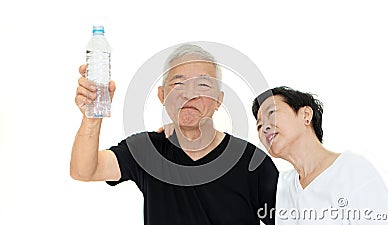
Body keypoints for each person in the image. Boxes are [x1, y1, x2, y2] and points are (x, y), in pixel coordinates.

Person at [71, 44, 279, 225]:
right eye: (178, 84)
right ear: (162, 95)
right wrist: (92, 116)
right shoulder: (147, 150)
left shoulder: (253, 162)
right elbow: (84, 171)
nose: (189, 94)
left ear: (219, 99)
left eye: (203, 85)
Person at [252, 86, 388, 224]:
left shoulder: (353, 170)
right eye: (259, 125)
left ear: (306, 115)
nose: (264, 127)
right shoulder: (282, 187)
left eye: (272, 113)